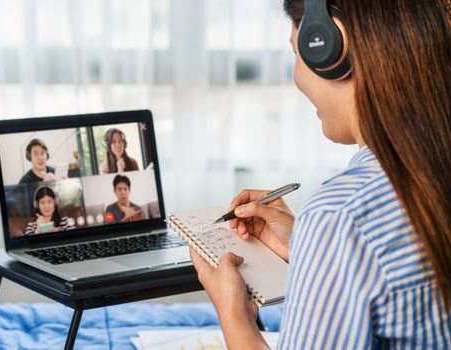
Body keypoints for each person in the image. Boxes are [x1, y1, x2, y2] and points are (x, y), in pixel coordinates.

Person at [189, 0, 451, 349]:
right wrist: (309, 249)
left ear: (329, 50)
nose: (296, 75)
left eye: (297, 53)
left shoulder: (340, 215)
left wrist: (233, 313)